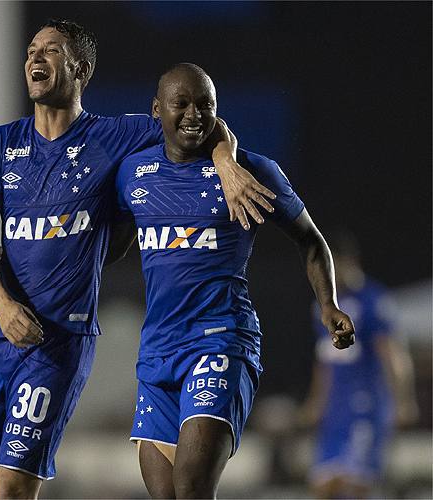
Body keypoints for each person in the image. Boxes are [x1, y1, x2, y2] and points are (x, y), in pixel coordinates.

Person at [0, 21, 275, 499]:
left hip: (57, 341)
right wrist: (2, 305)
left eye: (52, 50)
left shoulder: (117, 136)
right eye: (32, 50)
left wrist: (226, 163)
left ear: (81, 70)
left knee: (10, 489)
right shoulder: (1, 143)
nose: (36, 57)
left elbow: (198, 123)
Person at [114, 63, 356, 499]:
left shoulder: (251, 171)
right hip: (157, 353)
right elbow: (107, 242)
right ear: (156, 110)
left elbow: (310, 240)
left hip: (220, 341)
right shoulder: (133, 173)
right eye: (181, 103)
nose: (193, 114)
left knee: (192, 485)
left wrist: (328, 304)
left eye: (204, 104)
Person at [300, 231, 418, 499]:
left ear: (348, 261)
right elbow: (325, 360)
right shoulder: (323, 307)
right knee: (322, 486)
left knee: (354, 485)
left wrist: (403, 400)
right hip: (335, 410)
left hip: (366, 405)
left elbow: (392, 353)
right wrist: (316, 402)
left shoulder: (372, 300)